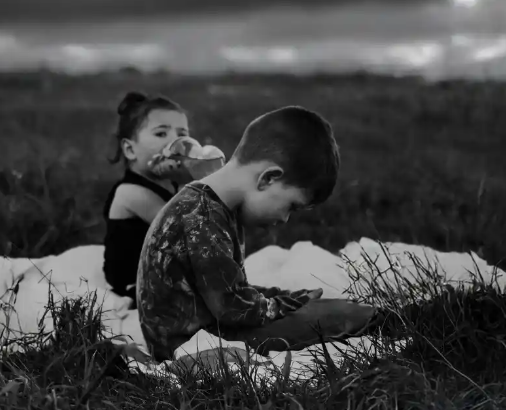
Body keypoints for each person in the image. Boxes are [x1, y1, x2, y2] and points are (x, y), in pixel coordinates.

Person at [135, 105, 380, 361]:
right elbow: (233, 309)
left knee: (310, 309)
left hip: (199, 329)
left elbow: (230, 289)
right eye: (291, 206)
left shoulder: (210, 205)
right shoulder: (202, 218)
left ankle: (366, 314)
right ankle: (387, 320)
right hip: (192, 345)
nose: (285, 219)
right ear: (268, 178)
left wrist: (283, 298)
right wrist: (288, 302)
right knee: (320, 320)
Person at [101, 91, 195, 306]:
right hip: (134, 283)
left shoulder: (166, 182)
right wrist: (183, 182)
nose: (175, 142)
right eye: (161, 134)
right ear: (130, 149)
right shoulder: (131, 193)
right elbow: (185, 234)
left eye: (182, 134)